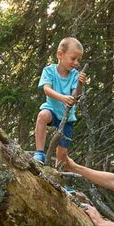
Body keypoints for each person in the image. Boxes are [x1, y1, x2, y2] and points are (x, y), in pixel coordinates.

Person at [32, 37, 88, 165]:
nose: (76, 62)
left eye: (78, 60)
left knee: (62, 155)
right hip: (51, 110)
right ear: (60, 54)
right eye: (73, 58)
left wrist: (80, 84)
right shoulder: (49, 71)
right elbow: (47, 89)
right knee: (42, 116)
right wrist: (63, 98)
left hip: (67, 118)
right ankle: (39, 153)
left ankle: (58, 176)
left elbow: (76, 95)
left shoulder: (75, 75)